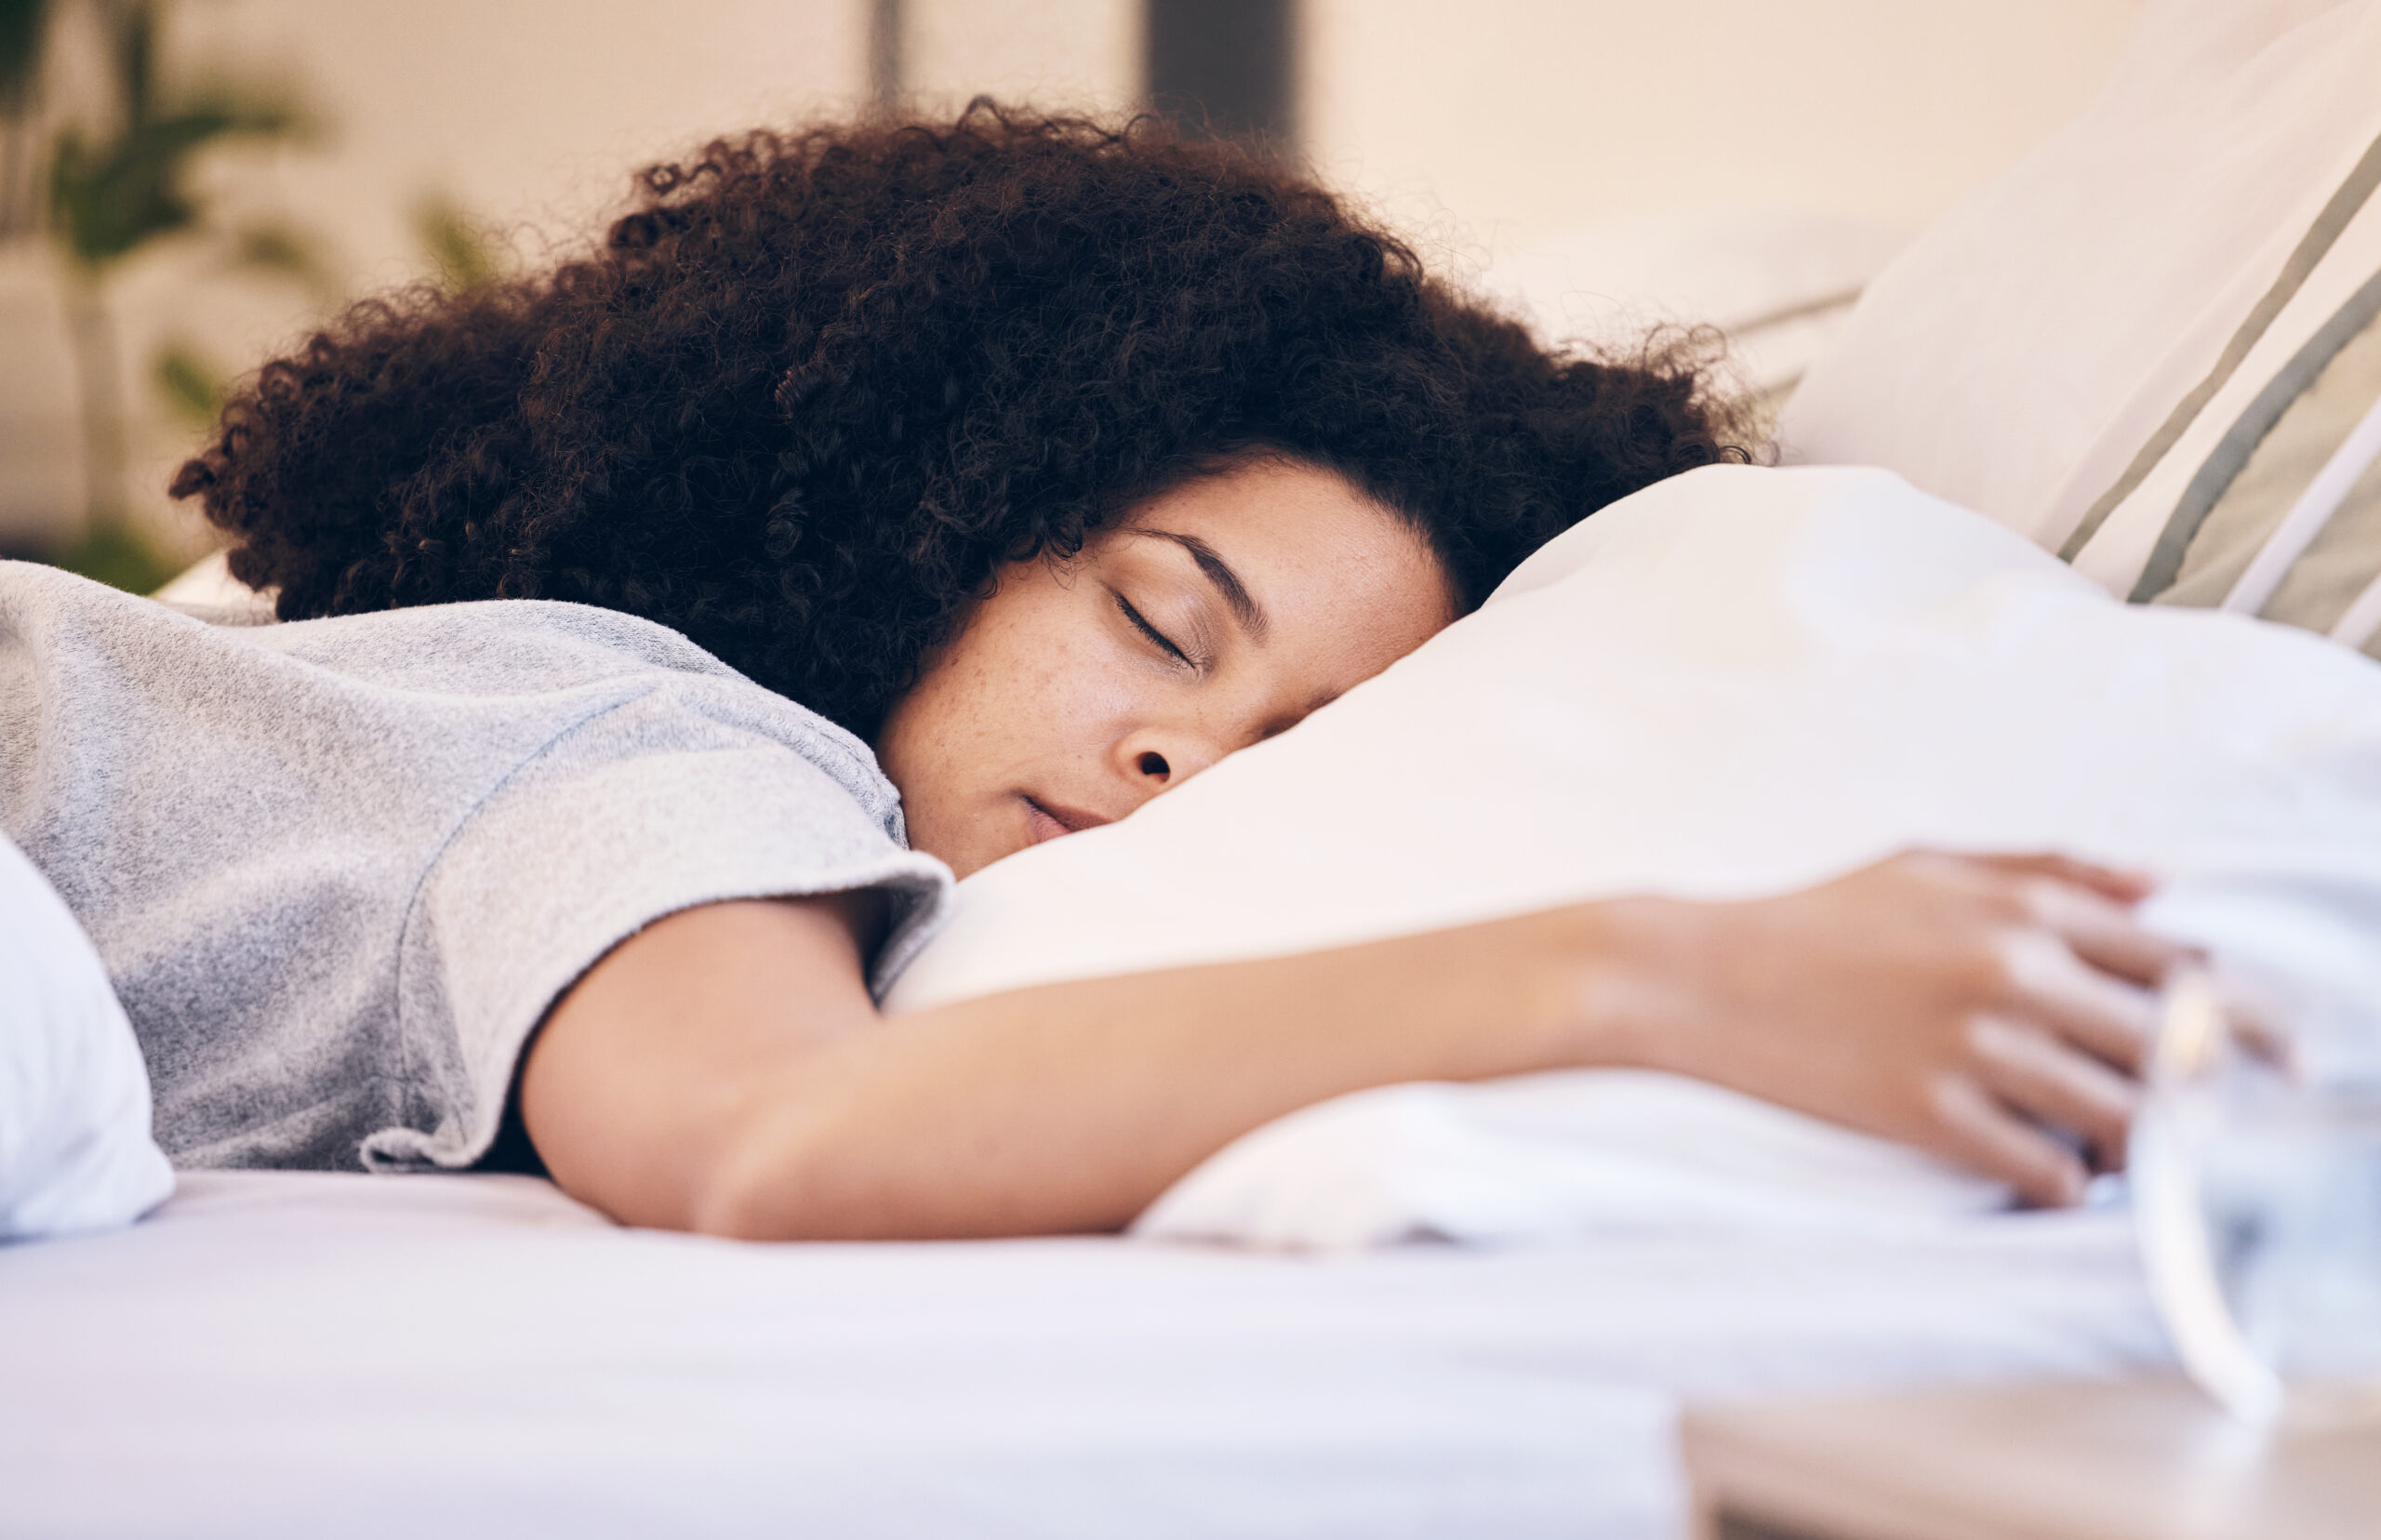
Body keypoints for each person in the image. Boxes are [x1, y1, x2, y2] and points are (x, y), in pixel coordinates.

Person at [1, 108, 2175, 1241]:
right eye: (1158, 620)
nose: (1172, 755)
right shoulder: (626, 727)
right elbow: (767, 1130)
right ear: (918, 506)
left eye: (1283, 757)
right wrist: (1663, 985)